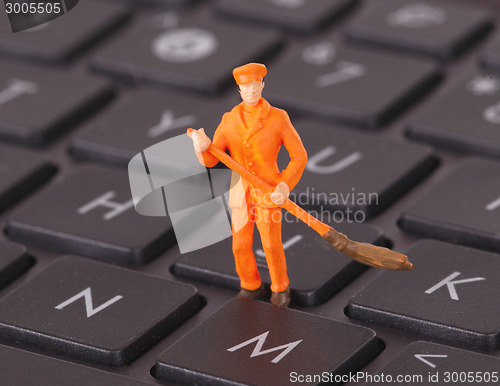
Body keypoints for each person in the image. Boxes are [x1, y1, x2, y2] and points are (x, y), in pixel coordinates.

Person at [188, 63, 307, 307]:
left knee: (271, 246)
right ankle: (250, 285)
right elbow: (214, 158)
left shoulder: (278, 118)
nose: (251, 91)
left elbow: (299, 156)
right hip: (240, 192)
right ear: (239, 90)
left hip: (269, 191)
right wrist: (201, 147)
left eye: (255, 85)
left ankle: (280, 288)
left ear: (262, 85)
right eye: (246, 87)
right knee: (240, 245)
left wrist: (284, 185)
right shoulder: (229, 120)